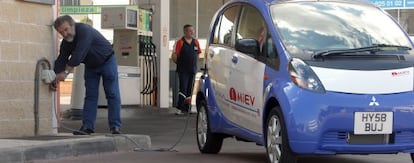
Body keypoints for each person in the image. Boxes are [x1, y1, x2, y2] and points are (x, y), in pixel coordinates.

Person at [52, 15, 121, 135]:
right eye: (61, 32)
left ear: (73, 24)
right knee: (90, 95)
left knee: (112, 94)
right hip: (91, 66)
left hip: (107, 61)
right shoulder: (66, 42)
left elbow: (79, 54)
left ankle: (115, 127)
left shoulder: (85, 30)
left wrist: (66, 72)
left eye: (66, 29)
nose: (65, 34)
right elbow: (61, 59)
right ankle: (87, 127)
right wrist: (55, 77)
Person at [172, 24, 201, 115]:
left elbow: (198, 54)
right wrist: (180, 64)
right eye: (190, 30)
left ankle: (187, 108)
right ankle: (179, 108)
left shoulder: (196, 42)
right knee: (183, 88)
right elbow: (174, 56)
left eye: (193, 30)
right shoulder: (180, 42)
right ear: (185, 32)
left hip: (192, 70)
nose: (192, 32)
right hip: (183, 70)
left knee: (190, 90)